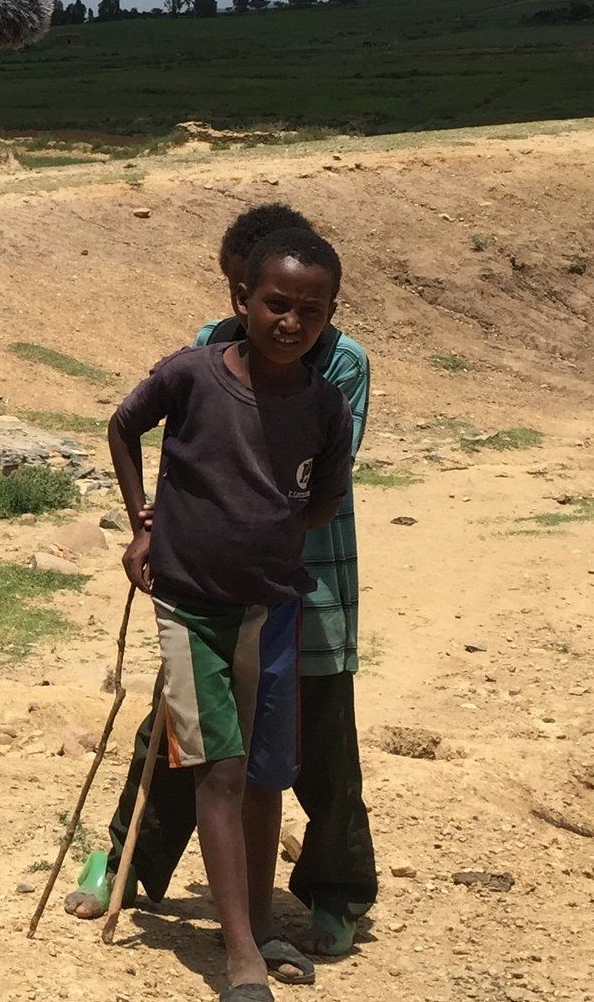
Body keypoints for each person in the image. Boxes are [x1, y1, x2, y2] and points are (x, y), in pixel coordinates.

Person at [67, 204, 378, 961]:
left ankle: (332, 891)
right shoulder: (207, 351)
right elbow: (176, 444)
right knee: (179, 731)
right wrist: (156, 522)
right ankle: (129, 860)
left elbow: (302, 477)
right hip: (207, 579)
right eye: (251, 292)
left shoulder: (339, 368)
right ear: (240, 291)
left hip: (306, 582)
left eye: (307, 306)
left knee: (318, 741)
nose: (282, 318)